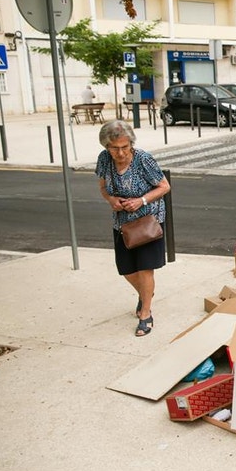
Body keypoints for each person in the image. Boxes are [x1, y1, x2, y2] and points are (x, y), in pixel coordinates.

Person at [95, 120, 171, 337]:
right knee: (127, 269)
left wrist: (141, 201)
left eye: (125, 147)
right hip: (122, 223)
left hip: (148, 220)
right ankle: (146, 294)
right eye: (115, 148)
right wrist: (111, 199)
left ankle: (146, 313)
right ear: (106, 147)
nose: (120, 153)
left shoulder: (143, 159)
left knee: (145, 268)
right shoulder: (104, 160)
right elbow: (102, 187)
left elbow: (164, 186)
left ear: (131, 144)